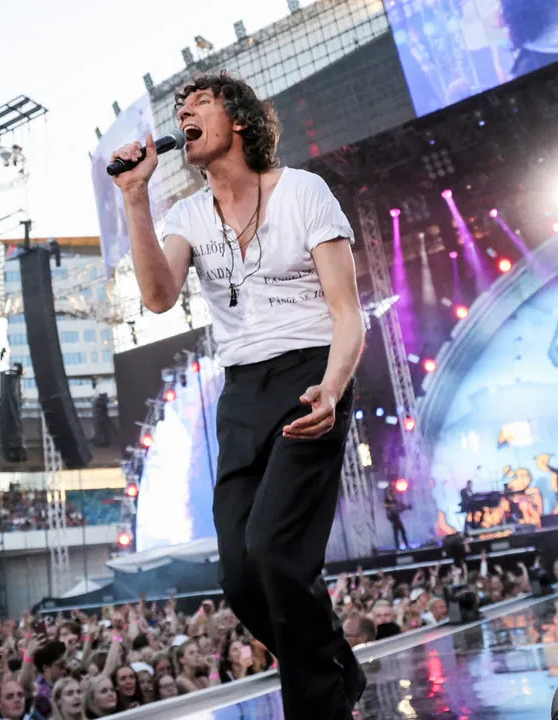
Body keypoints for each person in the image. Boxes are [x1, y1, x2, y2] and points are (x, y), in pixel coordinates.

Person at [111, 70, 366, 720]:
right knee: (240, 575)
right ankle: (336, 660)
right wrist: (135, 199)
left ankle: (321, 710)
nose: (185, 113)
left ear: (241, 120)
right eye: (181, 108)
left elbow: (348, 313)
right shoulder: (188, 215)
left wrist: (333, 388)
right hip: (243, 391)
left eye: (201, 102)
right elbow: (158, 297)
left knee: (275, 550)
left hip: (311, 375)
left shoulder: (303, 191)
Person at [385, 483, 410, 549]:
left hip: (396, 518)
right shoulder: (387, 500)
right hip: (392, 518)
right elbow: (385, 505)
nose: (394, 494)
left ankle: (406, 545)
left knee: (402, 531)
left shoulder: (395, 500)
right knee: (396, 533)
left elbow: (398, 509)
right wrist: (391, 506)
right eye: (393, 493)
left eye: (394, 493)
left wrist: (405, 508)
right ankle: (398, 547)